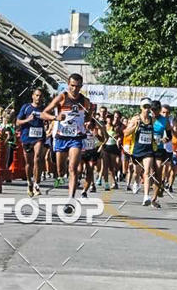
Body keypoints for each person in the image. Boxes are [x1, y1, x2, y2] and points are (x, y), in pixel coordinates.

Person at [42, 74, 93, 202]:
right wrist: (55, 118)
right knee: (60, 170)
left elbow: (87, 119)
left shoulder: (85, 101)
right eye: (72, 86)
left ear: (81, 86)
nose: (75, 89)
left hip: (76, 137)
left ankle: (70, 199)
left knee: (73, 168)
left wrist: (90, 113)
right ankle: (60, 177)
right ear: (68, 85)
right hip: (61, 137)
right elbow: (44, 113)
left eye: (77, 86)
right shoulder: (62, 97)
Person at [123, 98, 157, 206]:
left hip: (148, 150)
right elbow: (125, 133)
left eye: (148, 107)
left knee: (147, 172)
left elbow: (154, 133)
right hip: (137, 150)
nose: (147, 109)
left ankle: (146, 196)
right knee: (136, 172)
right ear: (141, 108)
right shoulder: (135, 119)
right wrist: (134, 127)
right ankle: (136, 182)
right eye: (145, 107)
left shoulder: (153, 119)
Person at [16, 87, 47, 197]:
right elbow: (18, 122)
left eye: (40, 96)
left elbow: (50, 119)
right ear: (33, 96)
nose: (38, 98)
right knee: (28, 163)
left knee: (37, 158)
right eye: (37, 95)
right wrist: (27, 120)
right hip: (27, 137)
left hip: (39, 137)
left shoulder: (44, 109)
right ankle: (29, 182)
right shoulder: (26, 107)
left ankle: (37, 184)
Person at [102, 110, 122, 190]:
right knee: (105, 166)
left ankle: (114, 182)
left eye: (111, 118)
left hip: (113, 148)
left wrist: (118, 138)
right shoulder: (103, 127)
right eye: (108, 118)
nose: (109, 120)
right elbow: (101, 136)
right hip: (105, 148)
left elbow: (120, 135)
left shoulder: (115, 128)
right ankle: (106, 183)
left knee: (112, 167)